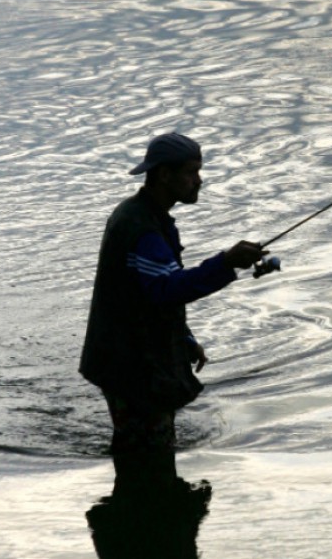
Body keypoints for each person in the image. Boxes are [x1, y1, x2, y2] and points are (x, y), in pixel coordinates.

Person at [80, 132, 266, 461]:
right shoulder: (142, 228)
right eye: (191, 172)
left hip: (129, 358)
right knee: (147, 452)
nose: (199, 180)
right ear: (165, 174)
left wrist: (183, 338)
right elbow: (166, 290)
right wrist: (225, 263)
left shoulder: (146, 217)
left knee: (146, 448)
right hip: (130, 365)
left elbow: (148, 292)